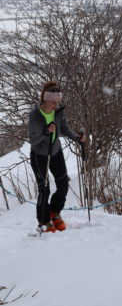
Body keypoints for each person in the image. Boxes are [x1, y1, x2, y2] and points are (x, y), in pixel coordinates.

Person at [28, 81, 86, 233]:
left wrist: (77, 138)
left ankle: (55, 212)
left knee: (63, 185)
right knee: (44, 190)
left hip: (55, 152)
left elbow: (65, 129)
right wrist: (45, 131)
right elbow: (33, 139)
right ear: (46, 100)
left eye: (58, 102)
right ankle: (44, 220)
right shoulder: (35, 115)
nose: (57, 105)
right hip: (39, 155)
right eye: (54, 102)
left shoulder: (58, 111)